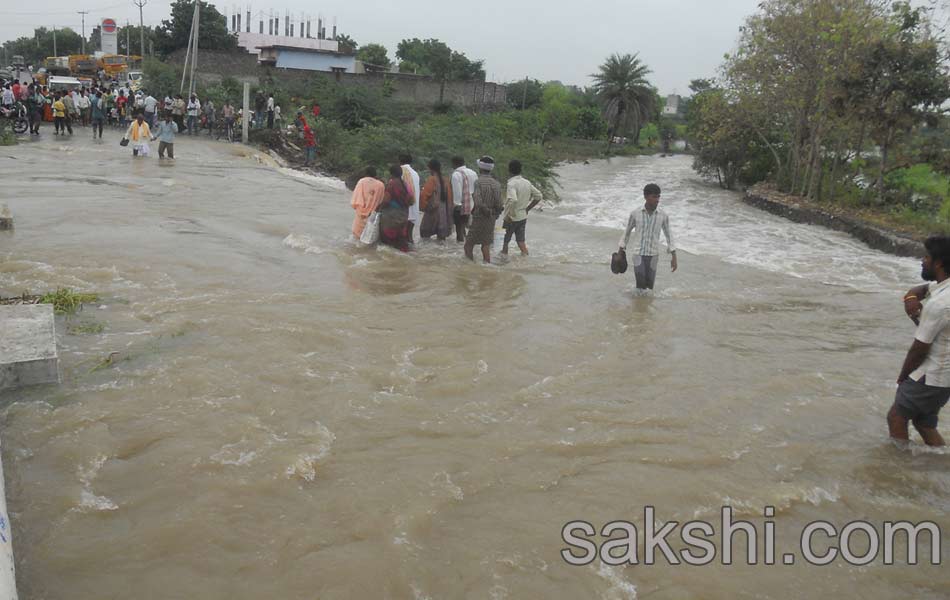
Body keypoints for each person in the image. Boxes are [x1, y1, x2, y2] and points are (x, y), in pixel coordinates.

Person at [889, 236, 950, 446]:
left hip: (934, 373)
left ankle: (899, 467)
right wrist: (911, 295)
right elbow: (926, 289)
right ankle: (941, 463)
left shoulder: (940, 304)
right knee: (924, 422)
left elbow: (919, 348)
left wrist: (903, 377)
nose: (922, 260)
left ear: (939, 263)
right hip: (944, 376)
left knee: (896, 416)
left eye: (926, 257)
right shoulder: (943, 291)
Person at [618, 183, 677, 290]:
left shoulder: (663, 216)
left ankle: (644, 305)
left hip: (654, 255)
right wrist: (620, 251)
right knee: (640, 284)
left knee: (649, 287)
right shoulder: (635, 213)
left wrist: (674, 256)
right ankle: (638, 305)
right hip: (638, 254)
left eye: (658, 196)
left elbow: (669, 236)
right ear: (646, 197)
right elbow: (626, 233)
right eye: (654, 196)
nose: (657, 199)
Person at [464, 156, 504, 264]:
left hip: (479, 217)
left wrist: (485, 210)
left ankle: (469, 267)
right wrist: (494, 214)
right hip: (491, 219)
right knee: (485, 245)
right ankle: (487, 266)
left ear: (480, 169)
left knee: (468, 244)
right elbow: (500, 204)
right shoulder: (497, 184)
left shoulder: (478, 182)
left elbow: (477, 201)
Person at [502, 159, 543, 256]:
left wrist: (509, 215)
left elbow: (513, 200)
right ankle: (525, 259)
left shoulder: (511, 184)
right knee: (520, 241)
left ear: (509, 170)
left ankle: (503, 262)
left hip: (511, 218)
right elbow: (539, 196)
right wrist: (528, 209)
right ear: (521, 170)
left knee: (504, 241)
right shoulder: (527, 182)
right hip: (523, 216)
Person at [379, 165, 413, 252]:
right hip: (403, 215)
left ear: (391, 174)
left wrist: (378, 209)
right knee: (400, 238)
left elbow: (386, 200)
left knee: (388, 241)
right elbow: (411, 200)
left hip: (392, 216)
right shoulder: (405, 184)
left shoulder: (391, 184)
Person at [419, 159, 454, 241]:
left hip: (433, 211)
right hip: (444, 212)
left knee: (425, 235)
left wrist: (423, 207)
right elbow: (450, 197)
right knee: (441, 238)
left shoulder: (431, 179)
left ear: (430, 168)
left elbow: (424, 195)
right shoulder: (445, 179)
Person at [349, 166, 385, 239]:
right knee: (369, 235)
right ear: (375, 174)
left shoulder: (361, 181)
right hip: (373, 213)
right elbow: (381, 200)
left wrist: (359, 208)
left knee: (356, 235)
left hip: (360, 212)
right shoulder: (381, 185)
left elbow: (356, 196)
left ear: (366, 173)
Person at [451, 156, 478, 243]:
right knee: (470, 229)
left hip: (461, 206)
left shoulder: (456, 174)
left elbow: (457, 193)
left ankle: (459, 249)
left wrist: (455, 206)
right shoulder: (473, 173)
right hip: (473, 205)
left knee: (459, 229)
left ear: (454, 164)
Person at [399, 154, 420, 244]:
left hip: (405, 207)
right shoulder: (415, 173)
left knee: (403, 236)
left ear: (399, 160)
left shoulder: (400, 171)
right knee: (409, 235)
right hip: (414, 207)